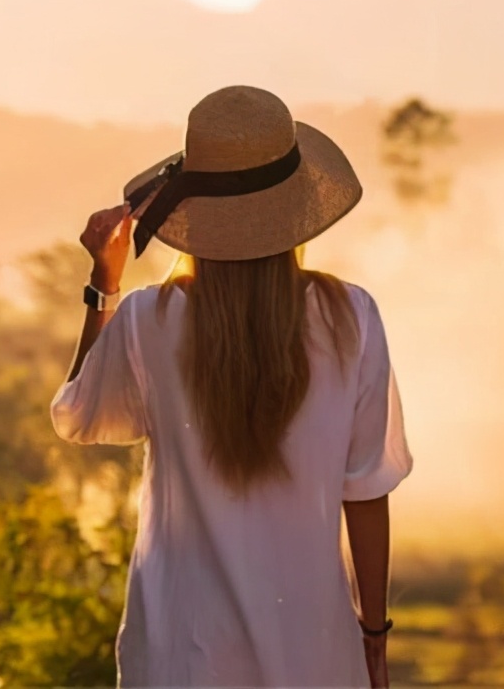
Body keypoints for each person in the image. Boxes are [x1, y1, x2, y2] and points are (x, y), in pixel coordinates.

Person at [50, 85, 413, 688]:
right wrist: (373, 638)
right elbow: (367, 492)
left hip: (180, 657)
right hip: (314, 654)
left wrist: (104, 286)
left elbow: (79, 416)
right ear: (295, 210)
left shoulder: (148, 320)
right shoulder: (351, 318)